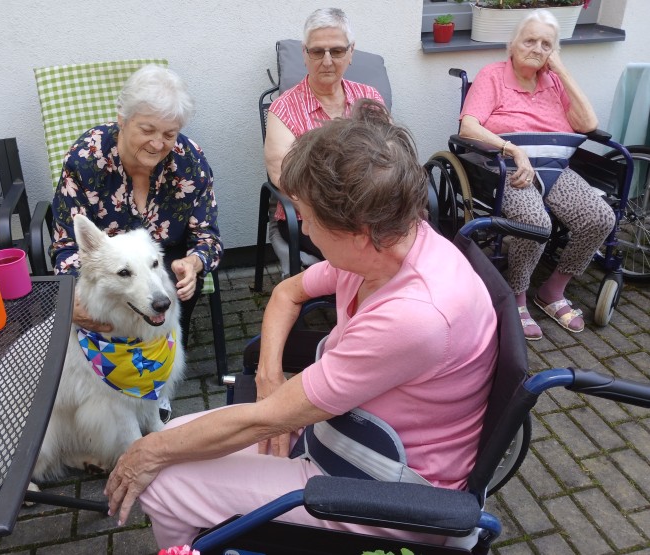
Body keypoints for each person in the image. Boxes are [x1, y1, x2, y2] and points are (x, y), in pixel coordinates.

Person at [105, 100, 498, 549]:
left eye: (309, 218)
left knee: (161, 477)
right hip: (343, 435)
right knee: (172, 438)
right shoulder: (392, 244)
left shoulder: (416, 315)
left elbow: (262, 420)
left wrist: (145, 452)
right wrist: (270, 376)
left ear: (359, 230)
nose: (304, 229)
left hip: (382, 490)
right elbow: (287, 293)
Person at [459, 9, 615, 340]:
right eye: (529, 40)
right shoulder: (493, 76)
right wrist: (512, 150)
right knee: (534, 223)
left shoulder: (554, 81)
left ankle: (552, 290)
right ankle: (516, 296)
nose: (537, 48)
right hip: (510, 166)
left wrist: (559, 68)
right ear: (512, 45)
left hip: (555, 168)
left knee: (600, 217)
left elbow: (587, 125)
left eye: (546, 44)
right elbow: (468, 126)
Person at [50, 64, 222, 347]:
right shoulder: (86, 159)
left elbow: (207, 237)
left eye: (169, 134)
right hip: (110, 273)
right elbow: (67, 246)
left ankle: (166, 350)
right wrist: (74, 302)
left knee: (175, 288)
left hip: (166, 263)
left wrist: (194, 263)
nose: (157, 144)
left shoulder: (189, 161)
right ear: (122, 119)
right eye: (147, 129)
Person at [263, 7, 385, 275]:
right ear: (305, 55)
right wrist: (331, 213)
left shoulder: (370, 98)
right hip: (312, 216)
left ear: (351, 52)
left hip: (371, 209)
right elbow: (281, 175)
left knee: (413, 238)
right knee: (374, 253)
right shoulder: (284, 109)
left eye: (337, 51)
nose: (327, 61)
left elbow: (388, 156)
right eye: (317, 51)